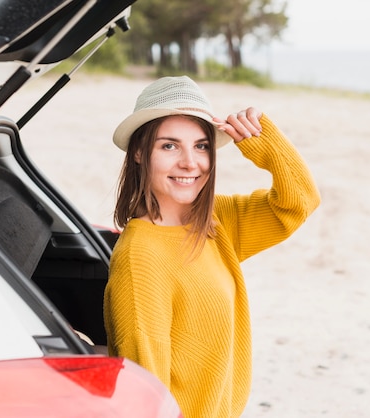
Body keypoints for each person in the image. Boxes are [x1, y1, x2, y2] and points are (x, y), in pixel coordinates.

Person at [103, 75, 320, 418]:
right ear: (140, 153)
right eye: (169, 145)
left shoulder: (218, 220)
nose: (190, 163)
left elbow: (300, 202)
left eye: (201, 145)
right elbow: (147, 398)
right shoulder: (140, 258)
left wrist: (267, 143)